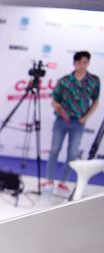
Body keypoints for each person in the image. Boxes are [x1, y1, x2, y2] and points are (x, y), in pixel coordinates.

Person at [45, 51, 99, 193]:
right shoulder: (64, 81)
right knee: (54, 149)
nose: (82, 66)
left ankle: (63, 181)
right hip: (61, 121)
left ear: (88, 63)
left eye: (85, 62)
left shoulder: (93, 81)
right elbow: (55, 100)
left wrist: (85, 118)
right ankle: (49, 180)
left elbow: (95, 101)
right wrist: (58, 108)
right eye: (79, 63)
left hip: (78, 123)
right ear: (74, 63)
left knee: (73, 153)